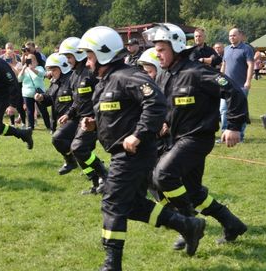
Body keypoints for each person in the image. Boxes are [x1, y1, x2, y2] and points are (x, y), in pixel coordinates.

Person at [78, 26, 206, 270]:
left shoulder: (127, 76)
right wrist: (95, 124)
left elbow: (156, 104)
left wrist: (138, 135)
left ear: (103, 53)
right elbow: (119, 114)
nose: (87, 61)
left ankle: (111, 264)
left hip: (133, 154)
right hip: (123, 153)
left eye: (90, 55)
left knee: (112, 203)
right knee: (132, 205)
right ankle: (187, 225)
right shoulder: (105, 82)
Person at [143, 23, 248, 252]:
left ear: (176, 47)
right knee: (192, 191)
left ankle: (188, 222)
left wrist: (234, 126)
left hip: (196, 139)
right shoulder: (165, 76)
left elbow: (233, 91)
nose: (156, 54)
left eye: (161, 49)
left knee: (164, 174)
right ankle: (232, 224)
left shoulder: (197, 72)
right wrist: (163, 122)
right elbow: (166, 106)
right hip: (175, 139)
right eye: (156, 49)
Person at [57, 36, 107, 194]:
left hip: (92, 120)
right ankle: (94, 183)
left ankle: (104, 174)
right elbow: (76, 101)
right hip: (79, 118)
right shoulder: (73, 76)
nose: (67, 60)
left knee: (78, 148)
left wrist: (95, 117)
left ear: (78, 55)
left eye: (69, 56)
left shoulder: (91, 73)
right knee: (58, 138)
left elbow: (102, 94)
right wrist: (69, 114)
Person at [34, 53, 75, 171]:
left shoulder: (73, 79)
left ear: (63, 67)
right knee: (77, 147)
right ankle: (90, 170)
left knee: (58, 139)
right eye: (50, 69)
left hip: (76, 119)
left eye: (54, 69)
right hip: (63, 120)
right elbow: (50, 97)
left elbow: (80, 101)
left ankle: (72, 161)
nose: (51, 72)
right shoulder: (55, 81)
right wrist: (41, 97)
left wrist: (69, 114)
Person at [220, 28, 254, 142]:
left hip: (241, 86)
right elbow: (224, 65)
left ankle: (240, 135)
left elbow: (250, 65)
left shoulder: (247, 49)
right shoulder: (226, 49)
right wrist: (220, 79)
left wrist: (248, 81)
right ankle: (225, 134)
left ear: (240, 35)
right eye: (230, 36)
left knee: (240, 111)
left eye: (234, 35)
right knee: (224, 110)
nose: (231, 37)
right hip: (226, 86)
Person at [17, 53, 51, 130]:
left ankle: (49, 126)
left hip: (39, 94)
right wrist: (23, 69)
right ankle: (30, 126)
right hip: (27, 93)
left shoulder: (39, 68)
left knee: (43, 110)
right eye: (29, 60)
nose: (31, 62)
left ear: (36, 61)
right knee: (29, 111)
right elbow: (19, 79)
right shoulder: (25, 70)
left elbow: (42, 75)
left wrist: (32, 69)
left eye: (32, 60)